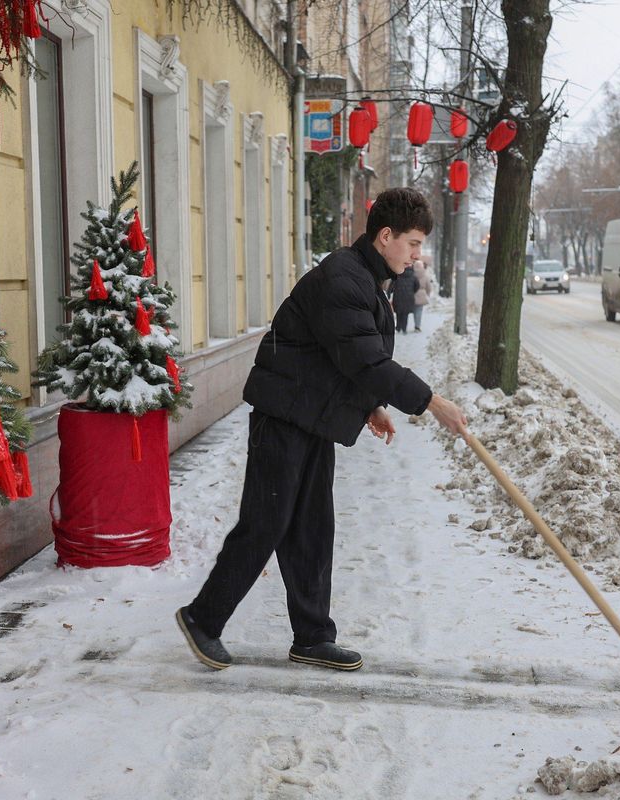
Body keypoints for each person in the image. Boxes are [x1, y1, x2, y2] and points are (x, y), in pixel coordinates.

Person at [176, 187, 469, 672]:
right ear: (386, 236)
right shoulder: (343, 279)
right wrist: (432, 403)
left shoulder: (364, 278)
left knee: (312, 528)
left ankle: (312, 637)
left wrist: (371, 404)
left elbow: (342, 357)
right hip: (283, 418)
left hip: (310, 418)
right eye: (414, 243)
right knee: (265, 523)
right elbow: (365, 358)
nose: (417, 255)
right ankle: (202, 618)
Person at [390, 261, 419, 333]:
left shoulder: (397, 275)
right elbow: (417, 286)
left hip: (398, 297)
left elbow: (391, 287)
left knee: (398, 312)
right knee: (405, 313)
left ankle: (398, 327)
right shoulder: (413, 276)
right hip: (409, 297)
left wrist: (390, 292)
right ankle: (404, 328)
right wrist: (412, 292)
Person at [411, 259, 433, 332]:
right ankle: (417, 326)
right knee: (419, 311)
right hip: (422, 294)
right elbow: (428, 286)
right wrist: (428, 293)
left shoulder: (412, 274)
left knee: (414, 310)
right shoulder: (425, 275)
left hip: (413, 294)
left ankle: (414, 324)